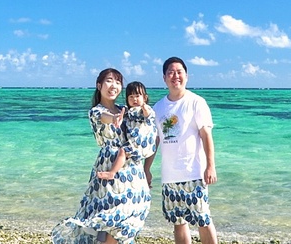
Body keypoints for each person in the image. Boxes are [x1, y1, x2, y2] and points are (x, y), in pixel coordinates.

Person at [52, 69, 156, 244]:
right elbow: (105, 117)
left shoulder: (126, 109)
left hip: (133, 168)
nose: (113, 85)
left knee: (136, 212)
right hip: (110, 168)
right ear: (99, 85)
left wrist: (147, 168)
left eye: (118, 82)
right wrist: (115, 117)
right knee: (114, 216)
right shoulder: (96, 111)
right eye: (109, 81)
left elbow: (149, 131)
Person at [144, 57, 218, 244]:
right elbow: (155, 141)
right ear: (164, 78)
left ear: (187, 76)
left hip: (194, 173)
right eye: (171, 72)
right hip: (169, 176)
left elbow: (206, 135)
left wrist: (210, 166)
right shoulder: (158, 108)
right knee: (178, 222)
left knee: (203, 219)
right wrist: (147, 169)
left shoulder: (196, 102)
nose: (175, 76)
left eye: (179, 72)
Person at [96, 82, 155, 181]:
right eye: (131, 97)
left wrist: (144, 107)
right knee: (124, 153)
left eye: (137, 96)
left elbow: (148, 115)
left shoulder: (144, 109)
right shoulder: (129, 111)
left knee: (123, 151)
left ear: (145, 98)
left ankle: (112, 173)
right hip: (135, 141)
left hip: (140, 141)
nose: (134, 99)